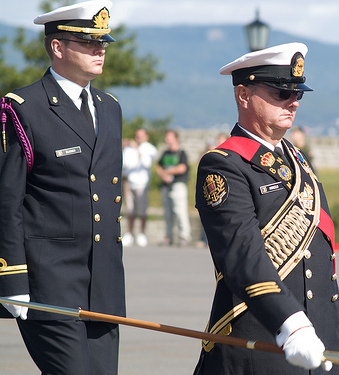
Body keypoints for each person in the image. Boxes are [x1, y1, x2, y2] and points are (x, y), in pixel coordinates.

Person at [193, 43, 339, 375]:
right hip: (264, 339)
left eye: (297, 94)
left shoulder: (296, 160)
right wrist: (291, 323)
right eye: (280, 93)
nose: (292, 102)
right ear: (244, 95)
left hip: (317, 340)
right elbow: (241, 258)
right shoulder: (223, 166)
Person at [0, 1, 125, 374]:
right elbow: (7, 201)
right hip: (48, 283)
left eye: (102, 42)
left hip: (103, 283)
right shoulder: (23, 108)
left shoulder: (110, 107)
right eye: (88, 42)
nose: (100, 49)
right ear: (58, 47)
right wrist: (11, 277)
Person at [122, 128, 157, 247]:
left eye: (141, 136)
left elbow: (146, 163)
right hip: (129, 181)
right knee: (130, 209)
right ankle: (130, 233)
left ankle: (142, 233)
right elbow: (125, 164)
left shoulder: (150, 148)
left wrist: (136, 149)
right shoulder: (129, 148)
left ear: (146, 137)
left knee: (142, 210)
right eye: (137, 136)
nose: (138, 138)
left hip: (142, 183)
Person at [156, 130, 191, 246]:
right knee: (167, 213)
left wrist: (167, 172)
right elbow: (158, 167)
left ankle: (184, 236)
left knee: (180, 211)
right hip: (166, 186)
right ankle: (168, 236)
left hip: (178, 185)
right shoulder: (165, 153)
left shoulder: (181, 153)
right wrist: (163, 175)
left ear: (176, 139)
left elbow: (182, 168)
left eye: (169, 137)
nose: (167, 139)